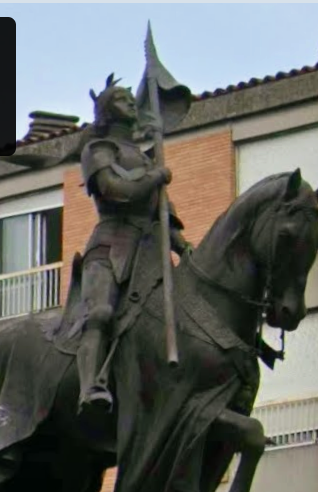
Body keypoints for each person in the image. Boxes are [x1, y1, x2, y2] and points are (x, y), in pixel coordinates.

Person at [77, 76, 190, 414]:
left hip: (148, 251)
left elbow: (162, 210)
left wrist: (182, 246)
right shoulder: (99, 151)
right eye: (121, 98)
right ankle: (90, 387)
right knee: (101, 312)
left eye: (130, 97)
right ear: (106, 110)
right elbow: (116, 190)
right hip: (110, 245)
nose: (129, 102)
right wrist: (156, 176)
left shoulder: (144, 158)